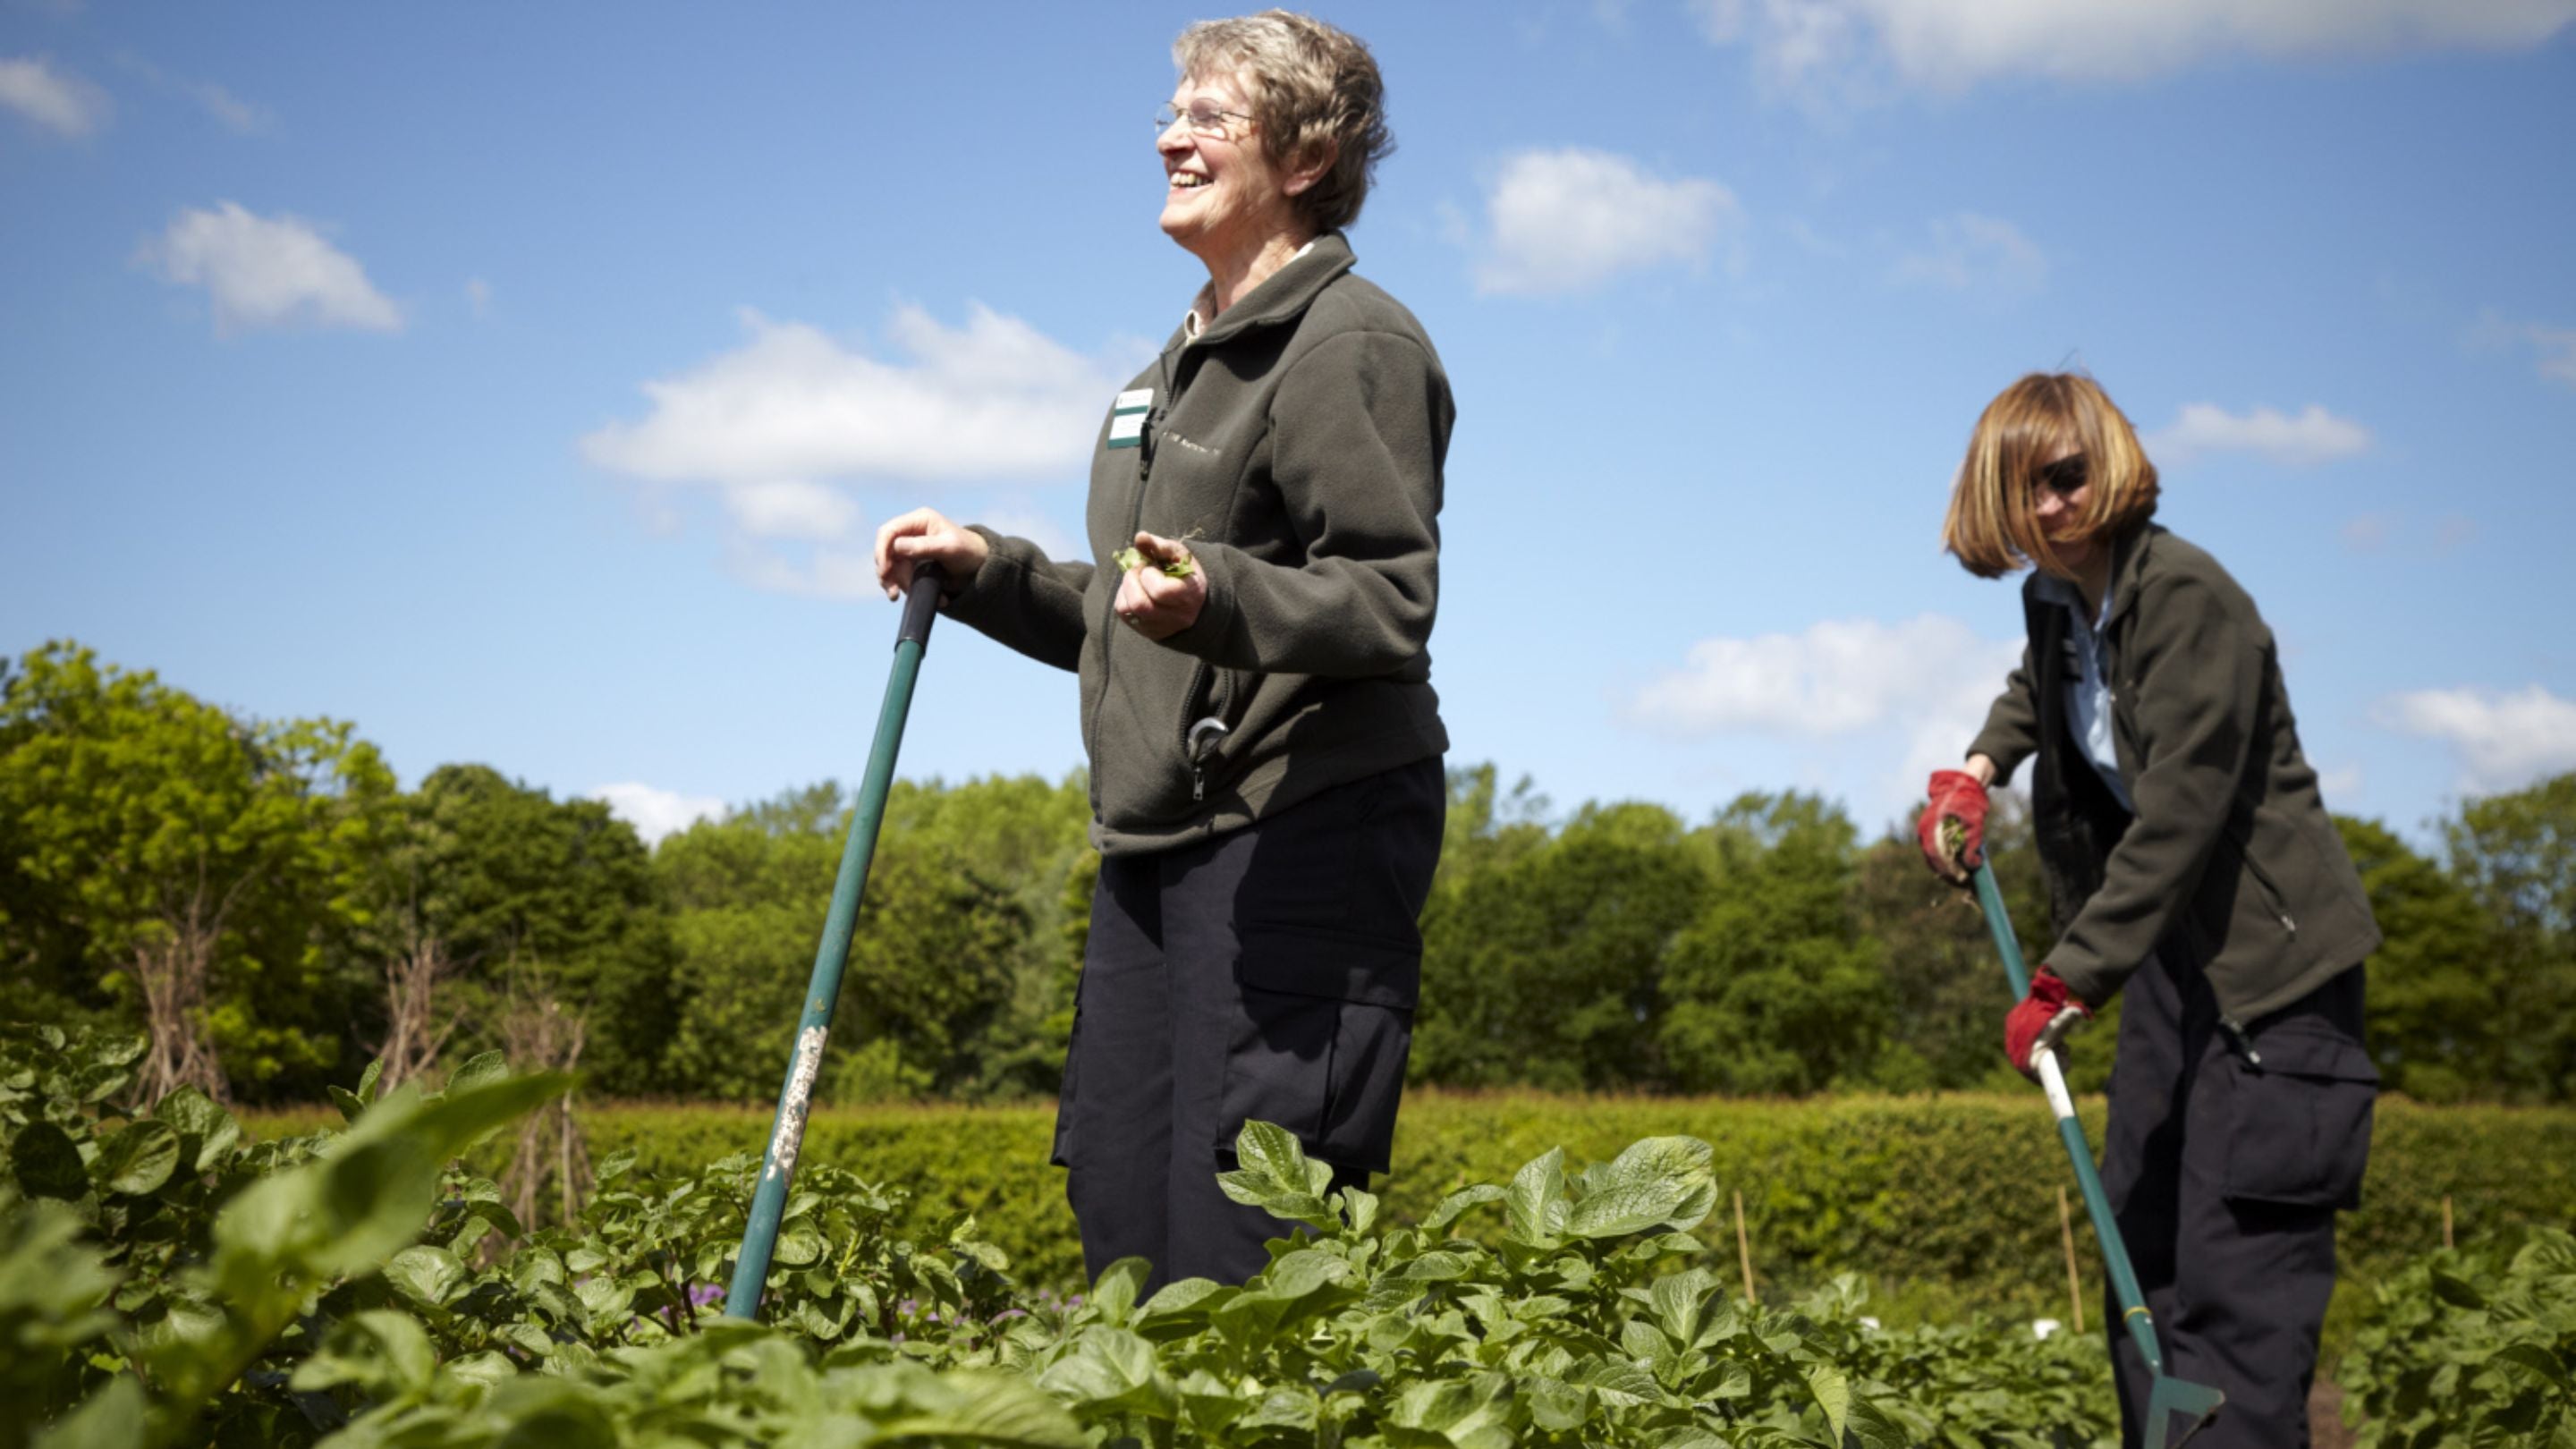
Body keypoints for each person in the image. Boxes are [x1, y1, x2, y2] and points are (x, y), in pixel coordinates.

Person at [871, 11, 1450, 1290]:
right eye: (1170, 109)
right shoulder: (1167, 373)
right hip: (1156, 841)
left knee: (1248, 1242)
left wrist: (1221, 599)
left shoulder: (1349, 340)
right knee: (1124, 1219)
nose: (1169, 135)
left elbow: (1386, 596)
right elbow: (1140, 612)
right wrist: (989, 574)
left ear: (1305, 155)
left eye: (1210, 113)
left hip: (1300, 825)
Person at [1917, 373, 2381, 1448]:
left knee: (2235, 1302)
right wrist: (1979, 770)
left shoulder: (2189, 601)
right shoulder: (2058, 601)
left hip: (2275, 986)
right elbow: (2040, 689)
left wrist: (2068, 976)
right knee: (2147, 1282)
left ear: (2111, 466)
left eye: (2066, 478)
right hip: (2175, 972)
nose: (2047, 508)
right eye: (2021, 487)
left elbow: (2179, 817)